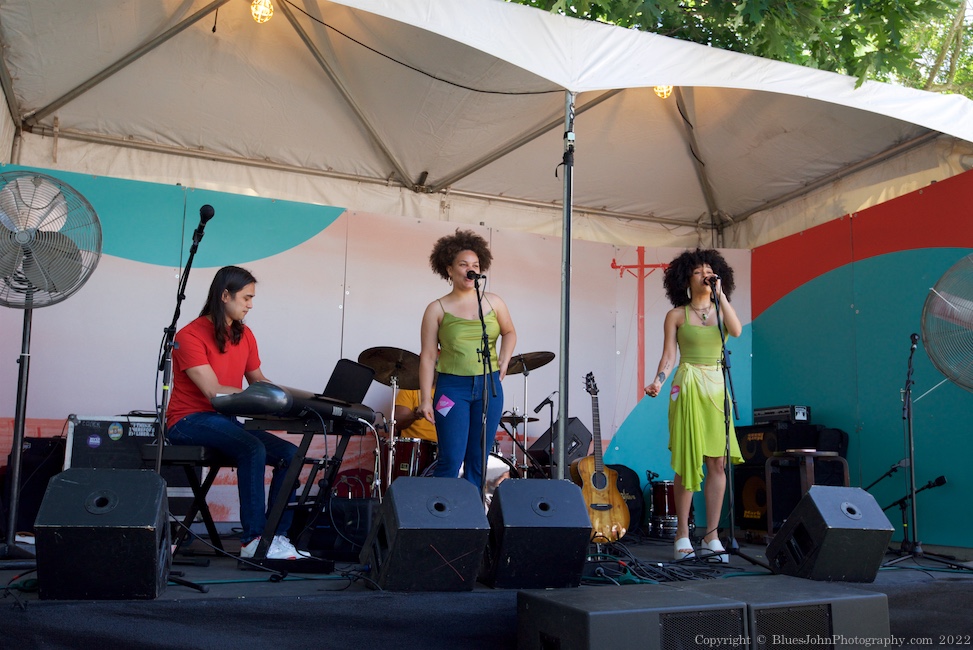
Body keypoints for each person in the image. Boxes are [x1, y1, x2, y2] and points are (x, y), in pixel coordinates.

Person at [166, 266, 302, 560]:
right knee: (251, 446)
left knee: (290, 455)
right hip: (188, 421)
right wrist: (264, 396)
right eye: (246, 298)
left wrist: (292, 398)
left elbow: (258, 381)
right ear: (225, 295)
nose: (251, 305)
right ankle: (253, 539)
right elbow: (214, 392)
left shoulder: (245, 334)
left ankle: (275, 538)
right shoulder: (190, 335)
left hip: (224, 421)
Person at [644, 249, 743, 563]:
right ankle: (682, 534)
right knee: (688, 462)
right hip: (686, 385)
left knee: (717, 463)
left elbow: (737, 331)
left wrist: (721, 295)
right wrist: (659, 380)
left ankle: (712, 535)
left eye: (710, 270)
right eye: (699, 271)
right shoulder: (676, 315)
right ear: (685, 278)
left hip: (716, 387)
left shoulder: (721, 311)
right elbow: (669, 357)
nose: (705, 275)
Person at [417, 229, 517, 492]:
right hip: (452, 388)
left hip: (489, 387)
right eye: (463, 265)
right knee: (450, 457)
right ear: (449, 270)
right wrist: (425, 398)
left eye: (475, 265)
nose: (470, 270)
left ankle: (470, 516)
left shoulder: (494, 303)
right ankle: (442, 517)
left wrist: (504, 361)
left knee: (478, 457)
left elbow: (509, 332)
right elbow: (427, 356)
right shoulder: (436, 308)